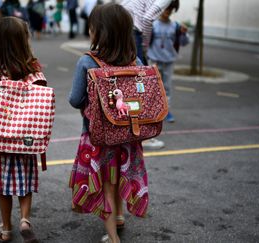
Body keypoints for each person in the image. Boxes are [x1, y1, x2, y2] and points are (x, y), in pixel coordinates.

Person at [68, 4, 149, 243]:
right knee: (119, 176)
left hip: (98, 137)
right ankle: (120, 216)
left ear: (98, 32)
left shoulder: (87, 62)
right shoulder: (135, 59)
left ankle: (113, 237)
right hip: (128, 134)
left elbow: (75, 100)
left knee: (105, 184)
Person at [0, 16, 45, 243]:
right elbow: (41, 95)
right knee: (24, 184)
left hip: (0, 139)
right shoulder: (31, 66)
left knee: (4, 188)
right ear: (23, 41)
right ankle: (25, 219)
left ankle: (6, 228)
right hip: (25, 139)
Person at [120, 0, 174, 150]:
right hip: (134, 33)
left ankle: (124, 129)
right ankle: (142, 135)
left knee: (125, 82)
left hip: (120, 29)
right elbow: (147, 19)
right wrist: (145, 44)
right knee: (140, 86)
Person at [147, 0, 189, 123]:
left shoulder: (175, 26)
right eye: (166, 9)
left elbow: (184, 43)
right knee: (152, 86)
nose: (167, 12)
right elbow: (146, 40)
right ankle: (151, 110)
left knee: (167, 87)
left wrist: (184, 34)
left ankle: (166, 111)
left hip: (169, 61)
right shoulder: (153, 24)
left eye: (170, 10)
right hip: (154, 59)